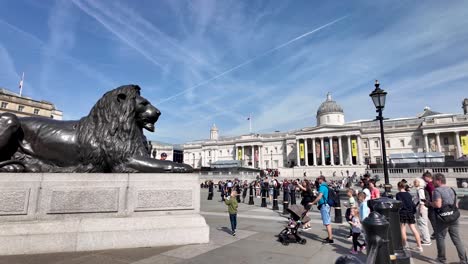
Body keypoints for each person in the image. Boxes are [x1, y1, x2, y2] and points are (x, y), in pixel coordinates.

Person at [432, 173, 467, 263]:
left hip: (443, 218)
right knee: (457, 239)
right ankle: (464, 260)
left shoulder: (437, 191)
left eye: (434, 180)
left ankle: (441, 258)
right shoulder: (451, 189)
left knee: (440, 237)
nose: (432, 182)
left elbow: (438, 204)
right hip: (454, 216)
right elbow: (456, 204)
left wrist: (430, 203)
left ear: (438, 181)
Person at [396, 181, 423, 252]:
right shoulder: (408, 194)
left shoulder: (398, 194)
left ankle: (404, 245)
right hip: (410, 213)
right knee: (414, 229)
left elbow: (399, 204)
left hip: (403, 213)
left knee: (403, 229)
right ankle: (419, 246)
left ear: (398, 187)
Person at [312, 176, 333, 244]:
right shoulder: (325, 186)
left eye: (318, 179)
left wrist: (313, 202)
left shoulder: (322, 187)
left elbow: (319, 197)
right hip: (326, 205)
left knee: (327, 223)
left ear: (321, 179)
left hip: (324, 205)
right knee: (327, 222)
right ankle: (330, 237)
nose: (317, 181)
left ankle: (330, 239)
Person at [413, 178, 431, 245]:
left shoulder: (420, 190)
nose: (414, 183)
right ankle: (426, 239)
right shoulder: (420, 189)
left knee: (422, 224)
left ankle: (426, 240)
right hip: (422, 208)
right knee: (423, 224)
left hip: (421, 208)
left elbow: (422, 200)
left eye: (416, 182)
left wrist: (421, 209)